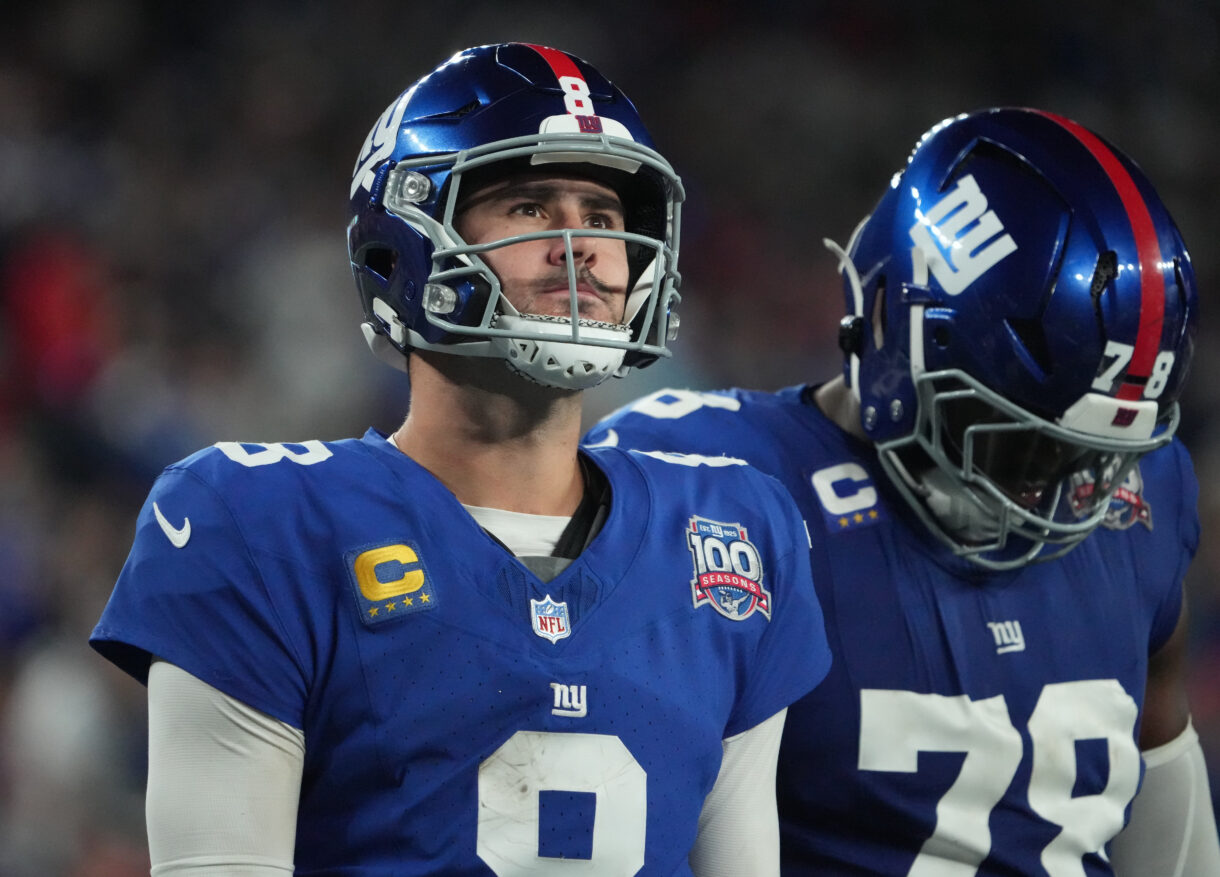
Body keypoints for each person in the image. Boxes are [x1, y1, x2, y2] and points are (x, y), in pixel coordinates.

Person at [89, 43, 832, 876]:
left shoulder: (732, 529)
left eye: (602, 213)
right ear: (402, 248)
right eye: (527, 207)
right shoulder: (259, 520)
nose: (578, 244)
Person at [587, 107, 1220, 875]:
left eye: (1088, 455)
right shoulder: (711, 480)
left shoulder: (1142, 498)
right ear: (892, 323)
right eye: (1023, 438)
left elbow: (1160, 745)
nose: (1056, 487)